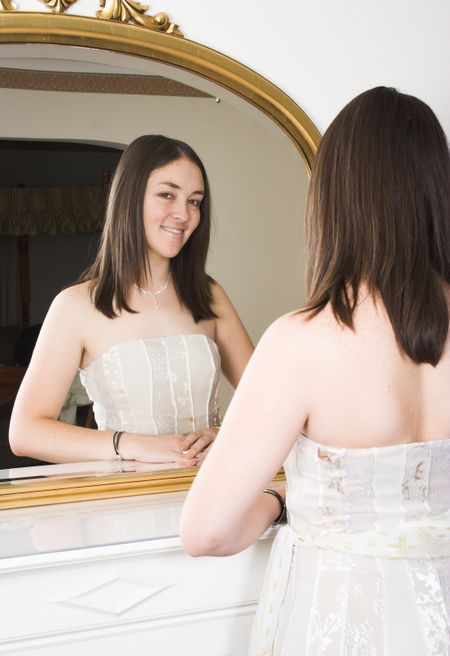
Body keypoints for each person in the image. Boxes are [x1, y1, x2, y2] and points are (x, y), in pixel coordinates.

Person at [180, 87, 450, 654]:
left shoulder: (303, 341)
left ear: (335, 198)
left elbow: (206, 532)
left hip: (342, 619)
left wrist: (280, 502)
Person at [9, 135, 253, 466]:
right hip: (126, 496)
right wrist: (131, 444)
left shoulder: (209, 295)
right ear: (130, 198)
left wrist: (223, 433)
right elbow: (25, 432)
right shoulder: (76, 306)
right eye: (167, 195)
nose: (183, 214)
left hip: (212, 487)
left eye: (194, 201)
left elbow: (267, 400)